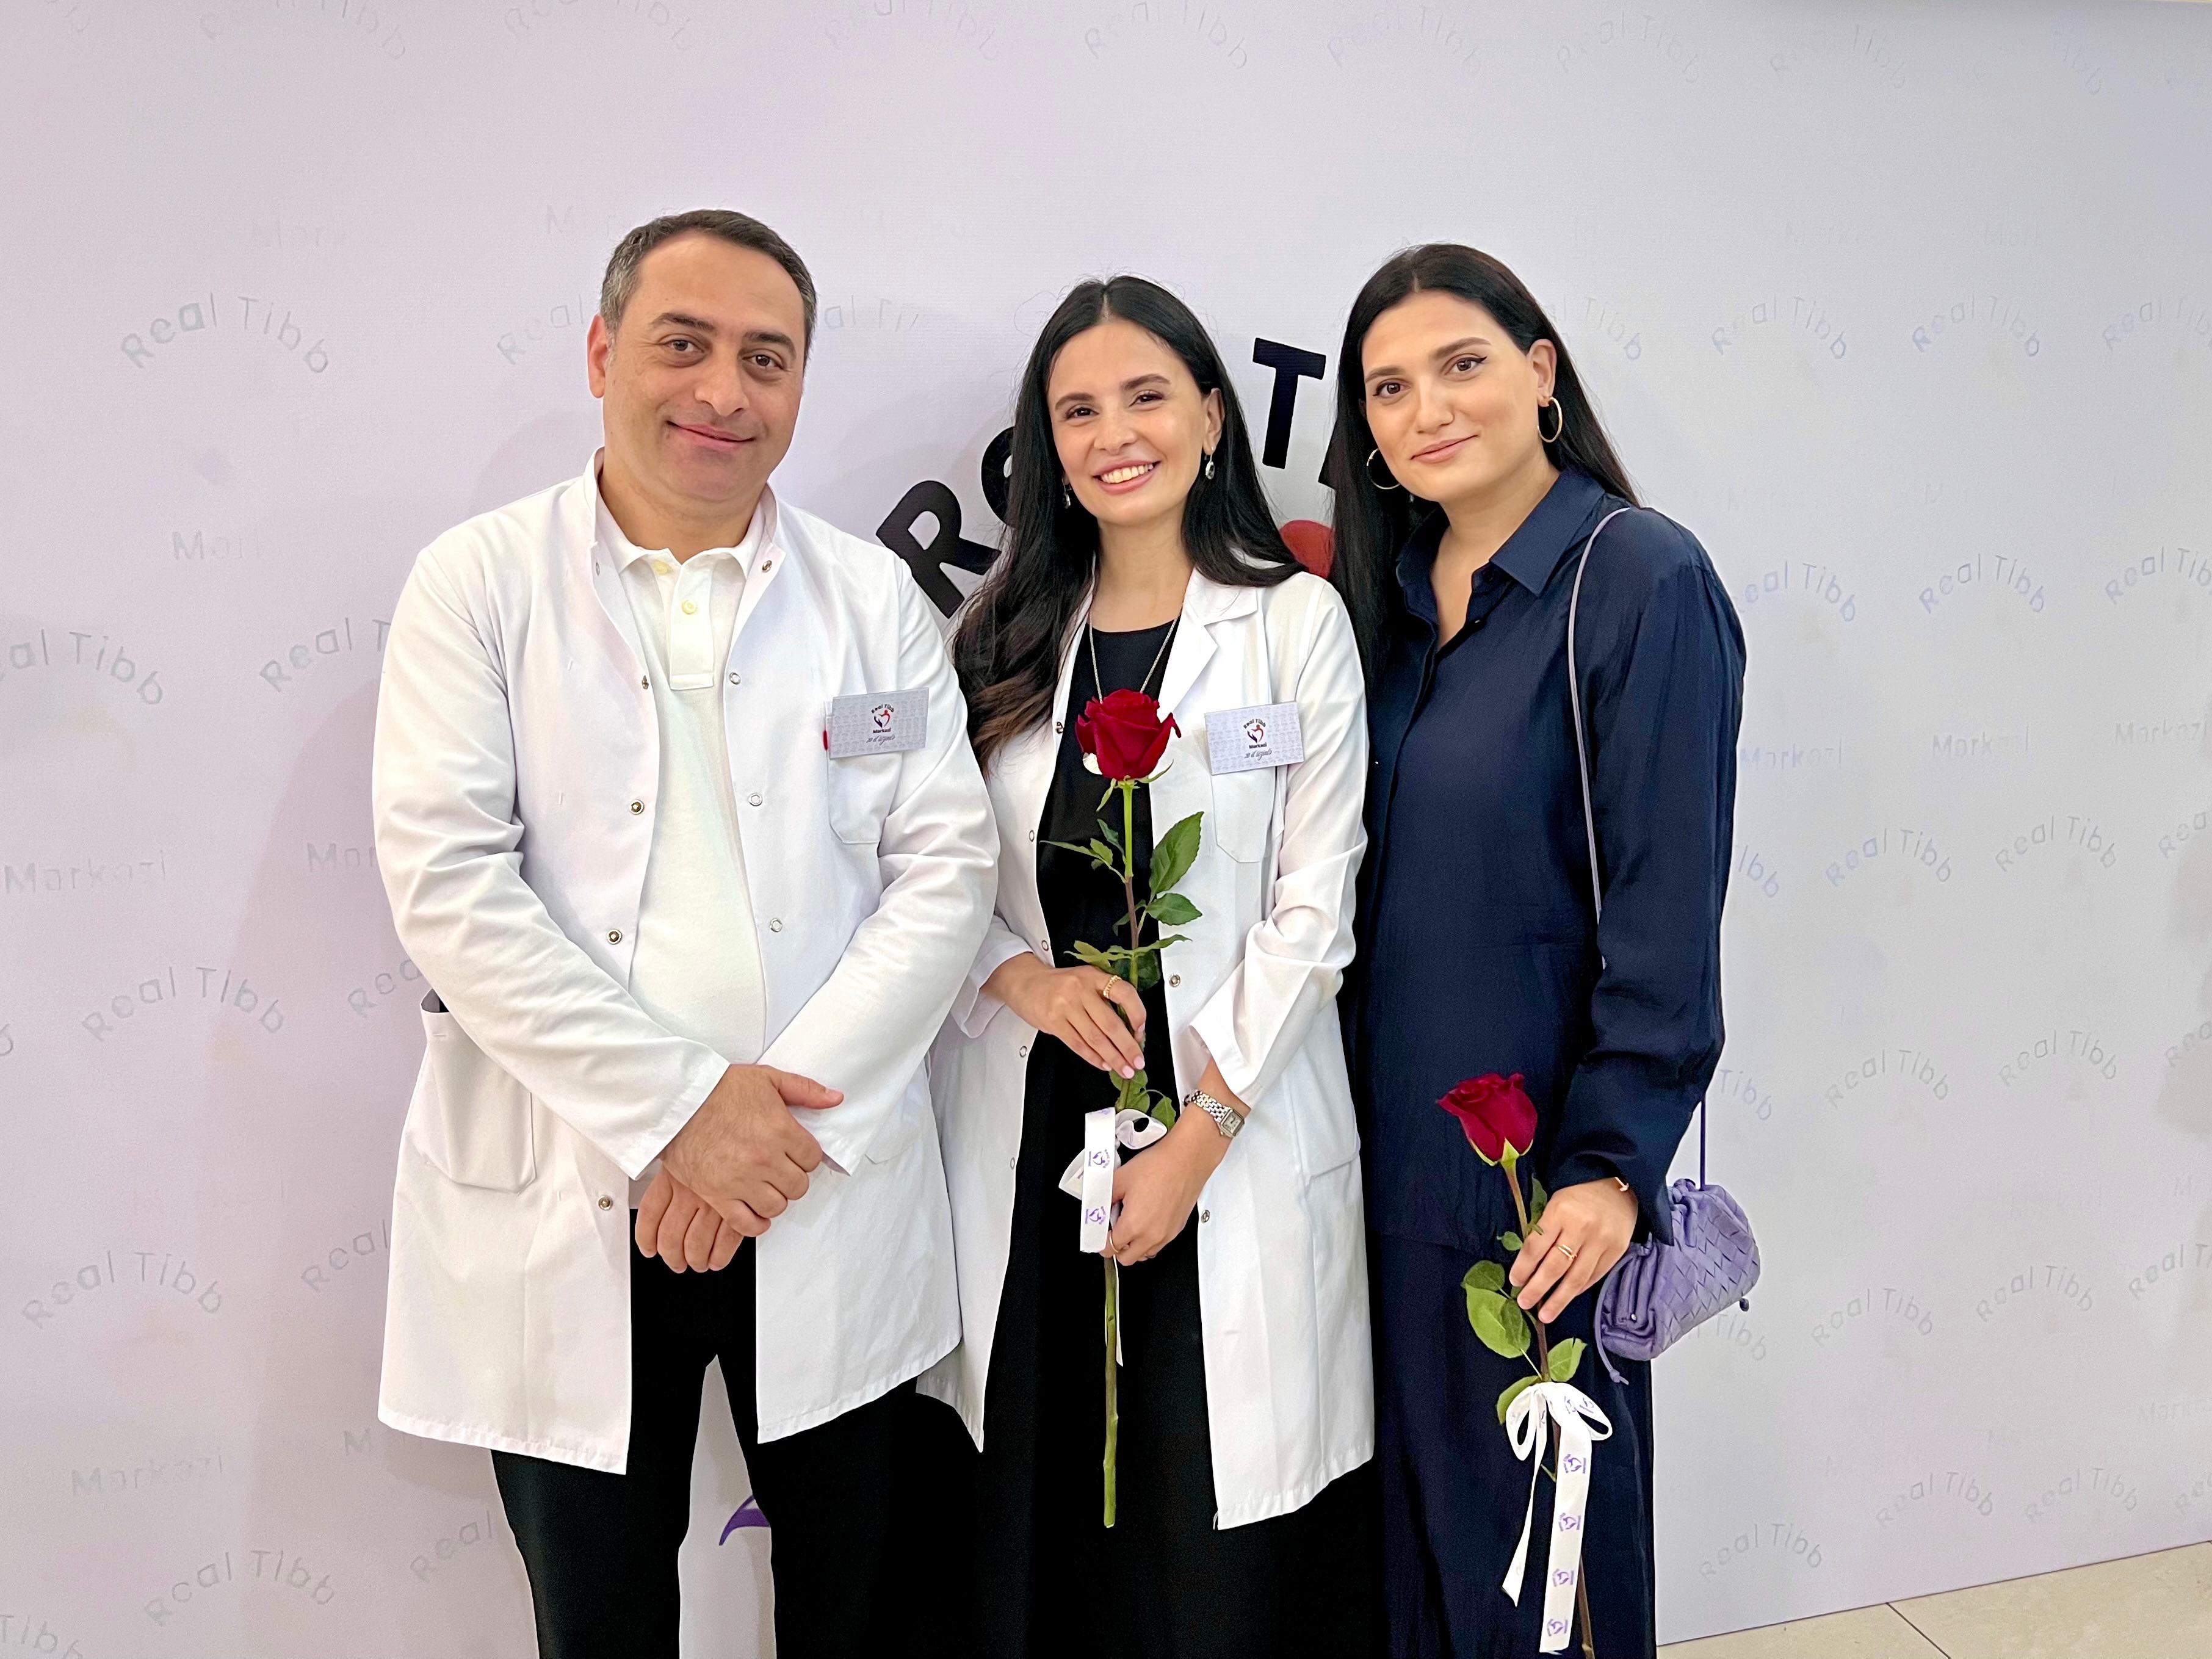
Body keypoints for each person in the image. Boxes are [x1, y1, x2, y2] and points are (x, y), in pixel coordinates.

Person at [370, 208, 996, 1659]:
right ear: (603, 354)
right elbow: (452, 886)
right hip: (586, 1180)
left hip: (813, 1182)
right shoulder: (478, 584)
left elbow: (945, 866)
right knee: (598, 1617)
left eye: (766, 359)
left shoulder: (870, 599)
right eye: (683, 344)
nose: (724, 390)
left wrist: (765, 1134)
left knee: (860, 1608)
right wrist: (680, 1117)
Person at [924, 275, 1380, 1658]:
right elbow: (930, 879)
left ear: (1212, 417)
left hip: (1226, 1118)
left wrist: (1199, 1138)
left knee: (1205, 1506)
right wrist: (1023, 980)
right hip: (1037, 1132)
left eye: (1145, 396)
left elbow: (1315, 911)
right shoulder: (1001, 638)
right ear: (1047, 445)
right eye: (1078, 410)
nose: (1114, 434)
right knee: (1048, 1489)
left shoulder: (1295, 624)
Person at [1325, 244, 1746, 1659]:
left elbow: (1669, 908)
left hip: (1537, 1195)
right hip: (1376, 1173)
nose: (1428, 409)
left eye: (1462, 365)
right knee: (1410, 1581)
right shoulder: (1387, 605)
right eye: (1390, 387)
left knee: (1543, 1595)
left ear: (1542, 371)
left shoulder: (1636, 578)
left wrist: (1613, 1165)